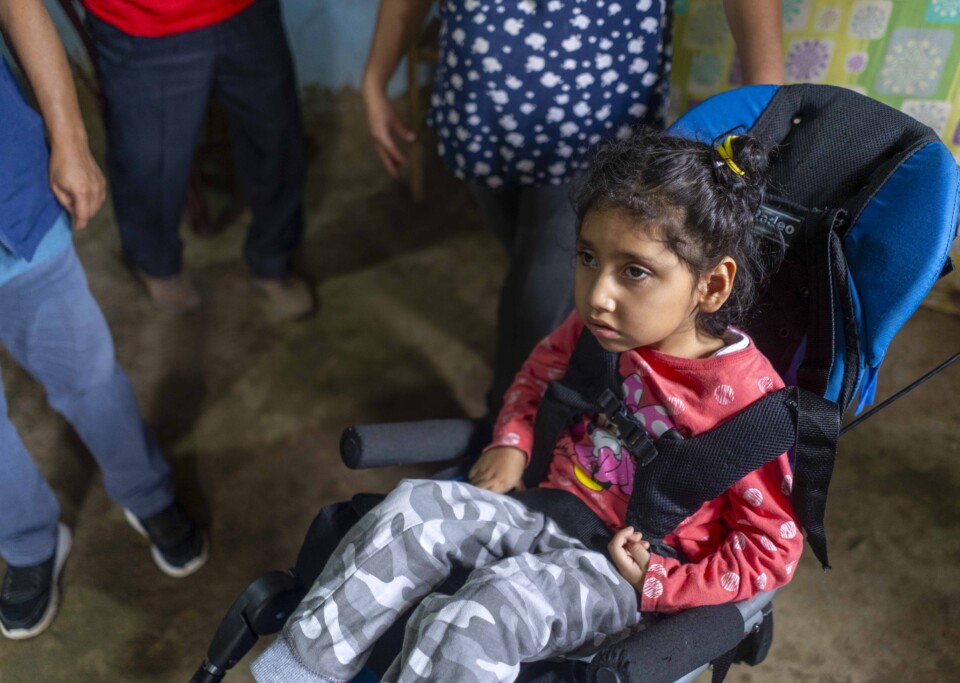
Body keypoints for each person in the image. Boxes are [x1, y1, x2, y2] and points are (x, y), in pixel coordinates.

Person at [251, 129, 802, 682]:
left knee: (481, 611)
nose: (597, 294)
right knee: (414, 508)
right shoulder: (600, 330)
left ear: (712, 286)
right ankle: (298, 673)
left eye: (634, 270)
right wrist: (512, 439)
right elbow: (539, 372)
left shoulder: (750, 414)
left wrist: (663, 582)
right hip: (547, 506)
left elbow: (770, 552)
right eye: (588, 257)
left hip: (624, 572)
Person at [362, 0, 783, 419]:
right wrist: (375, 76)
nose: (599, 297)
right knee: (556, 286)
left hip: (594, 119)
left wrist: (770, 110)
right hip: (480, 106)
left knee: (538, 298)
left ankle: (510, 431)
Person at [0, 0, 206, 641]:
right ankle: (28, 542)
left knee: (85, 369)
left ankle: (146, 493)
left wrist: (70, 138)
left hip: (9, 199)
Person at [82, 0, 314, 319]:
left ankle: (274, 259)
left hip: (246, 10)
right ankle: (155, 265)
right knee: (148, 161)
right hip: (142, 20)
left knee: (276, 137)